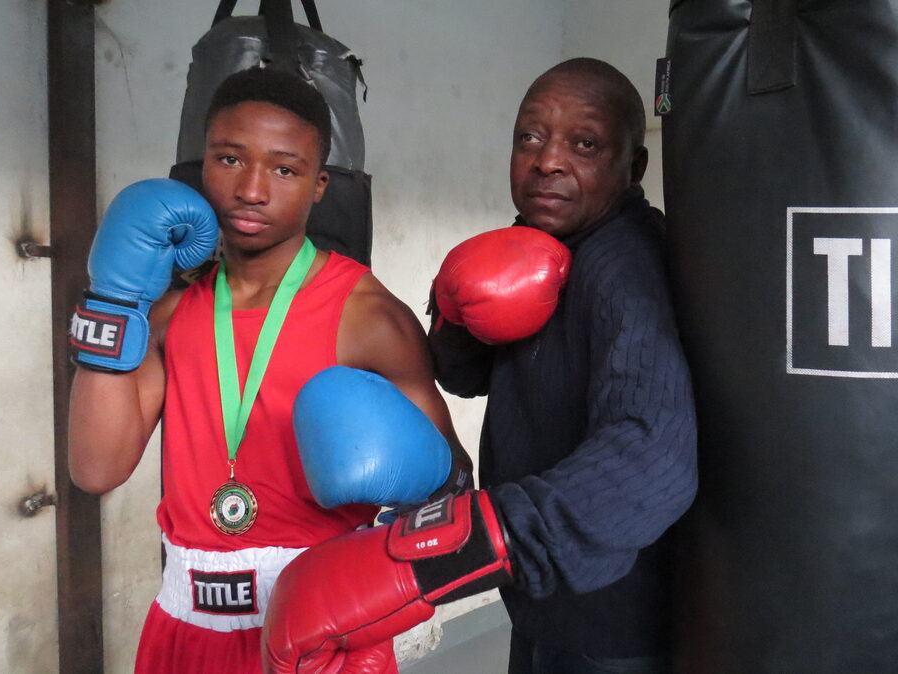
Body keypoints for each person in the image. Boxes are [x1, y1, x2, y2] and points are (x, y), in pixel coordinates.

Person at [262, 57, 698, 674]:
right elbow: (466, 378)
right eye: (530, 137)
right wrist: (455, 312)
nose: (548, 160)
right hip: (543, 596)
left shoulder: (624, 267)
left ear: (635, 166)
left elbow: (652, 456)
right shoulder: (538, 244)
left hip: (610, 618)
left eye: (585, 144)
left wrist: (461, 545)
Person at [67, 67, 469, 674]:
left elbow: (452, 485)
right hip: (182, 627)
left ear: (319, 185)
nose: (251, 190)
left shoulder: (368, 318)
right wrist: (113, 301)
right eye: (230, 159)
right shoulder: (170, 312)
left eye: (284, 169)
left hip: (319, 632)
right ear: (201, 164)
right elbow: (96, 469)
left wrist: (409, 492)